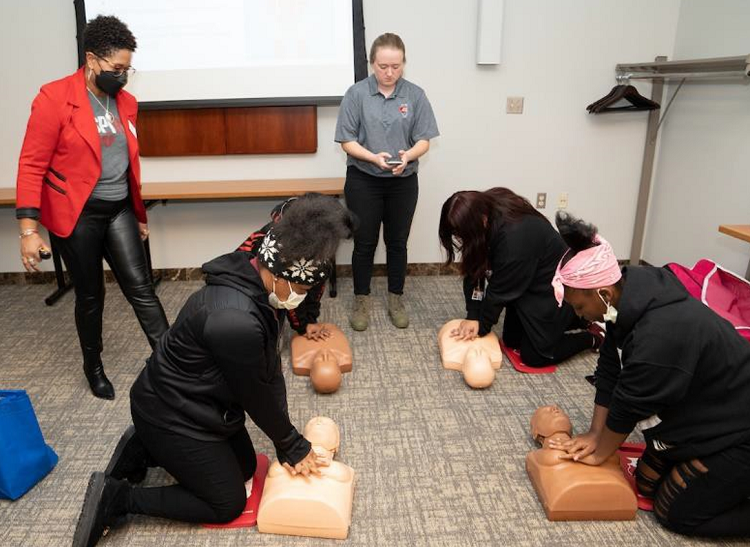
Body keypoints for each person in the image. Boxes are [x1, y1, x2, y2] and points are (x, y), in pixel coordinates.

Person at [71, 194, 354, 546]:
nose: (302, 295)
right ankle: (119, 498)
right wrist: (292, 444)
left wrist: (289, 440)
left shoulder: (256, 277)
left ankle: (144, 446)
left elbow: (267, 373)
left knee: (247, 469)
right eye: (303, 288)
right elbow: (255, 392)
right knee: (225, 502)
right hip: (170, 411)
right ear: (284, 275)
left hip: (198, 402)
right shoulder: (233, 320)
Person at [549, 211, 750, 538]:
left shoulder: (659, 335)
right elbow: (611, 368)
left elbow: (630, 403)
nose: (578, 314)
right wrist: (594, 432)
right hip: (710, 408)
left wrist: (602, 452)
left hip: (740, 429)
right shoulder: (628, 291)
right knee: (647, 481)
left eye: (579, 307)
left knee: (675, 512)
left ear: (603, 294)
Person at [15, 15, 167, 400]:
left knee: (142, 289)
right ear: (91, 59)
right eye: (117, 68)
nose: (123, 75)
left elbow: (128, 164)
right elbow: (32, 164)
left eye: (128, 68)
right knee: (90, 295)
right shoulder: (54, 97)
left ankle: (174, 363)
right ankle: (93, 368)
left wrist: (139, 216)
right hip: (77, 213)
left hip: (118, 209)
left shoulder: (126, 102)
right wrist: (28, 230)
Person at [334, 32, 439, 331]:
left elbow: (424, 140)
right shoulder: (356, 94)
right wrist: (372, 157)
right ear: (372, 64)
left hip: (402, 181)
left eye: (396, 66)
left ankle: (396, 297)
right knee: (364, 243)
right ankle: (361, 299)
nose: (389, 72)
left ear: (404, 63)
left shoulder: (415, 95)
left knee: (397, 242)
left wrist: (408, 156)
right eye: (383, 66)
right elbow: (346, 141)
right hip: (363, 180)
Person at [438, 188, 599, 367]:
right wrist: (473, 314)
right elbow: (475, 269)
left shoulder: (513, 240)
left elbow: (499, 292)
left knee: (535, 357)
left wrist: (481, 326)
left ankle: (592, 337)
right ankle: (575, 319)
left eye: (463, 235)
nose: (460, 240)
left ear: (482, 221)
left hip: (553, 287)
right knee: (512, 341)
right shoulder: (486, 207)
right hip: (526, 278)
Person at [236, 196, 332, 341]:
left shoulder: (321, 249)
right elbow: (285, 290)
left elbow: (312, 287)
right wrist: (301, 324)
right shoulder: (266, 243)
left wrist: (308, 322)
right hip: (248, 289)